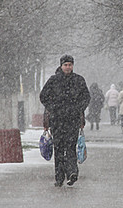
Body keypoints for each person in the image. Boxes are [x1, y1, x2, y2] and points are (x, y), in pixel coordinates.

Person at [40, 55, 90, 187]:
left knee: (71, 147)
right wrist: (53, 108)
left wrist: (79, 108)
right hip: (57, 121)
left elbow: (86, 97)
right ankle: (59, 177)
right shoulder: (53, 80)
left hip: (72, 120)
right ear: (61, 66)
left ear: (73, 66)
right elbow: (43, 96)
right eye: (65, 65)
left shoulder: (78, 80)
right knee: (59, 149)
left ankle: (72, 173)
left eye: (70, 65)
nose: (68, 67)